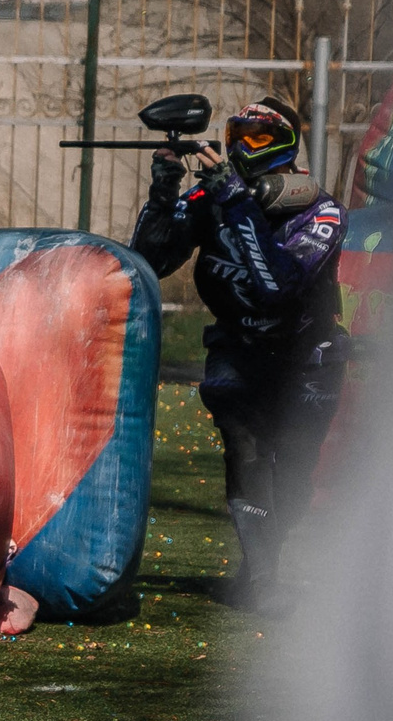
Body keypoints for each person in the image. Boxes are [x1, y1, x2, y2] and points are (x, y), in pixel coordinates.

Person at [131, 96, 346, 608]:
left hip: (307, 359)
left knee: (292, 470)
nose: (245, 149)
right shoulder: (214, 197)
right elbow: (146, 262)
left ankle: (262, 561)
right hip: (238, 351)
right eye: (237, 137)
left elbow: (278, 286)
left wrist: (236, 202)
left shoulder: (323, 212)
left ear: (288, 144)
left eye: (260, 137)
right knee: (245, 451)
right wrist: (165, 192)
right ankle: (263, 577)